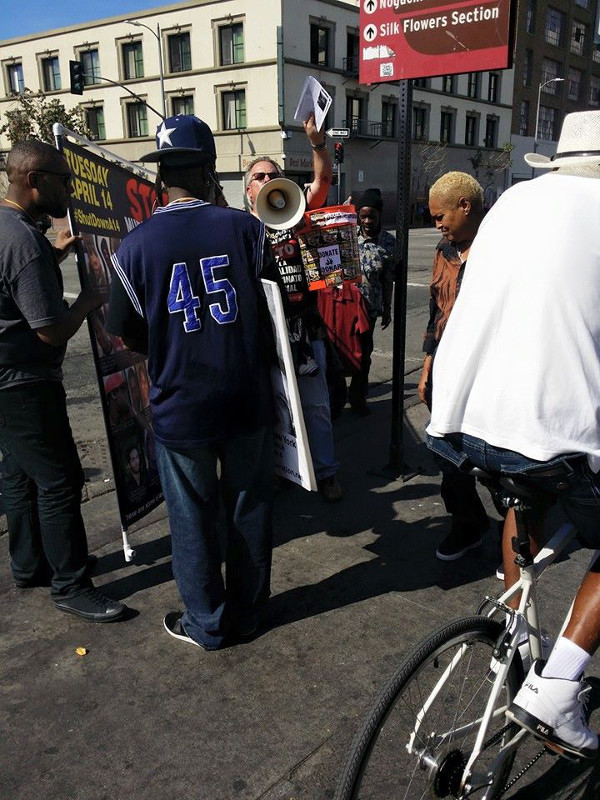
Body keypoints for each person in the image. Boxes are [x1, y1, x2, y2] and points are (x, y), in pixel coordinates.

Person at [426, 111, 600, 758]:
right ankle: (554, 694)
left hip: (467, 417)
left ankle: (519, 640)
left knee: (521, 499)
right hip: (546, 427)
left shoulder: (519, 201)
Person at [107, 115, 278, 649]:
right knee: (248, 507)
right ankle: (249, 614)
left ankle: (207, 623)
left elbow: (128, 335)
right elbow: (278, 307)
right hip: (245, 397)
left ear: (161, 179)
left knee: (192, 519)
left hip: (180, 404)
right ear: (209, 172)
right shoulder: (247, 229)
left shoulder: (133, 247)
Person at [0, 139, 125, 622]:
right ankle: (71, 583)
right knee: (58, 480)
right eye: (63, 179)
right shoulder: (22, 240)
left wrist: (52, 256)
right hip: (24, 382)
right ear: (34, 181)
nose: (70, 189)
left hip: (8, 380)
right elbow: (50, 331)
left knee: (18, 474)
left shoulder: (13, 229)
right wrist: (88, 302)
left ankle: (30, 564)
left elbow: (12, 288)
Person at [244, 112, 343, 502]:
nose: (268, 181)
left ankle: (327, 471)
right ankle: (283, 472)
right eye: (260, 177)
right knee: (271, 409)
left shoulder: (296, 214)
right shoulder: (239, 228)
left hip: (304, 331)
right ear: (249, 190)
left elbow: (321, 183)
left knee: (316, 405)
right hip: (263, 335)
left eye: (273, 175)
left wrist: (317, 144)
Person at [417, 172, 491, 562]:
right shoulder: (443, 252)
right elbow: (436, 313)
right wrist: (429, 363)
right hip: (448, 369)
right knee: (446, 453)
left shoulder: (501, 248)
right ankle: (468, 524)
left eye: (439, 215)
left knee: (499, 460)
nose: (437, 225)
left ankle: (522, 542)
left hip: (489, 373)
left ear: (465, 205)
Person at [351, 187, 395, 416]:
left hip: (369, 311)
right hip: (346, 308)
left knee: (364, 355)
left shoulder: (388, 244)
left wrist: (387, 309)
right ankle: (335, 398)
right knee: (339, 353)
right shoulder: (347, 235)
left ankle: (358, 398)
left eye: (372, 216)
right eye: (363, 216)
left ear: (379, 215)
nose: (367, 221)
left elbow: (388, 281)